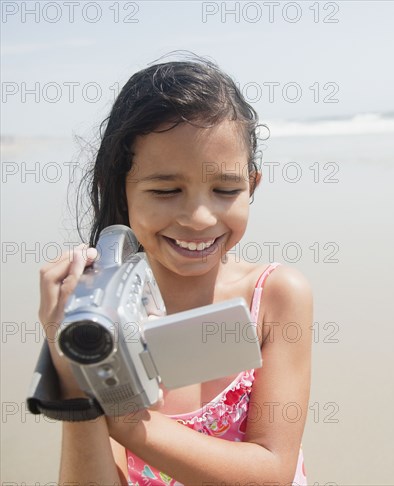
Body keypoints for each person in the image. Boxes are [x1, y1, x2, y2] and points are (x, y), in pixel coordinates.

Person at [38, 56, 312, 485]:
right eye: (166, 190)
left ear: (252, 185)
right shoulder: (103, 317)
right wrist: (76, 376)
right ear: (117, 187)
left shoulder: (274, 297)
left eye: (225, 189)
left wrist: (128, 420)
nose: (200, 217)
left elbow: (271, 472)